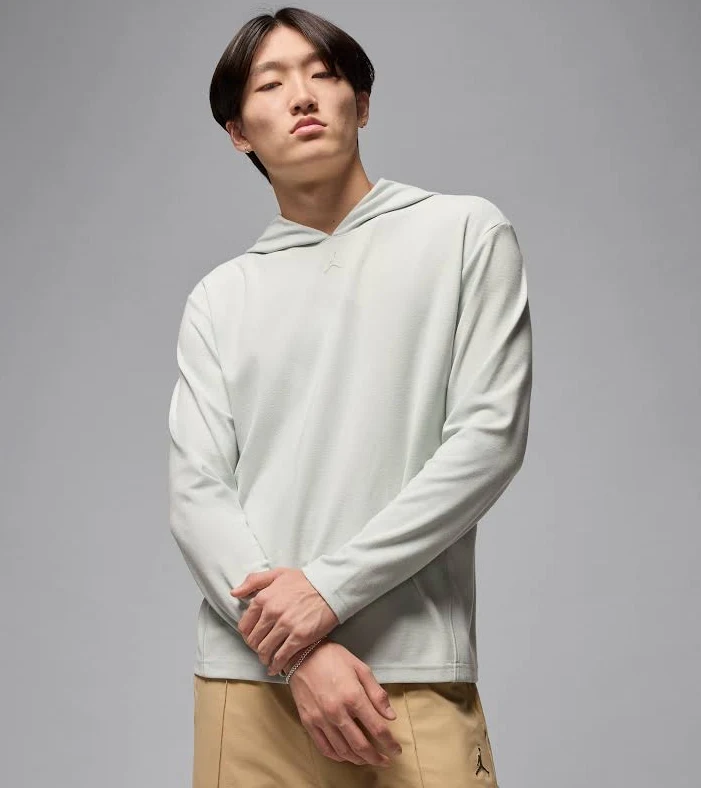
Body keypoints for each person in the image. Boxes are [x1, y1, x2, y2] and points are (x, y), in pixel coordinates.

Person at [167, 6, 533, 787]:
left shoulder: (463, 234)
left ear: (360, 103)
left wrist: (326, 593)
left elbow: (487, 441)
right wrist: (295, 648)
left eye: (322, 75)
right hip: (248, 682)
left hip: (409, 671)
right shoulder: (219, 297)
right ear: (238, 132)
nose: (301, 96)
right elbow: (197, 493)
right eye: (270, 84)